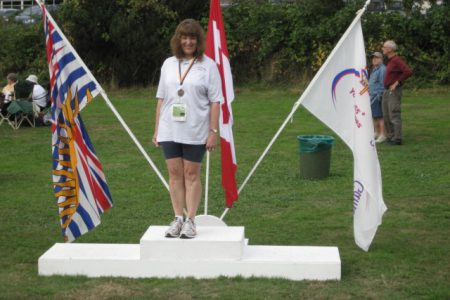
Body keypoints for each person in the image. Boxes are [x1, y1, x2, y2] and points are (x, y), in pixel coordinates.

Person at [152, 19, 222, 239]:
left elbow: (216, 101)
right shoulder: (168, 64)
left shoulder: (208, 65)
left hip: (196, 130)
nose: (188, 41)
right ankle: (177, 218)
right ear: (178, 39)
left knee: (191, 174)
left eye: (192, 37)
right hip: (169, 129)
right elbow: (161, 99)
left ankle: (191, 220)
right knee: (174, 174)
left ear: (198, 40)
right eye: (184, 37)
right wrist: (157, 130)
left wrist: (213, 132)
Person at [381, 40, 413, 145]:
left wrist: (397, 83)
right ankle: (390, 136)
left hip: (393, 91)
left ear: (390, 49)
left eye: (384, 47)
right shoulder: (390, 61)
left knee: (394, 114)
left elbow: (408, 71)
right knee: (386, 114)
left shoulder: (396, 60)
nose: (382, 49)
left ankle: (397, 138)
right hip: (386, 90)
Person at [368, 52, 386, 143]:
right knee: (374, 115)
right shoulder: (374, 69)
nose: (374, 59)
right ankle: (376, 132)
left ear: (381, 59)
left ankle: (382, 135)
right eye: (373, 58)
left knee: (379, 116)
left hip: (377, 96)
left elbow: (383, 84)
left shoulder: (382, 69)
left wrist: (380, 95)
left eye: (377, 58)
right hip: (372, 96)